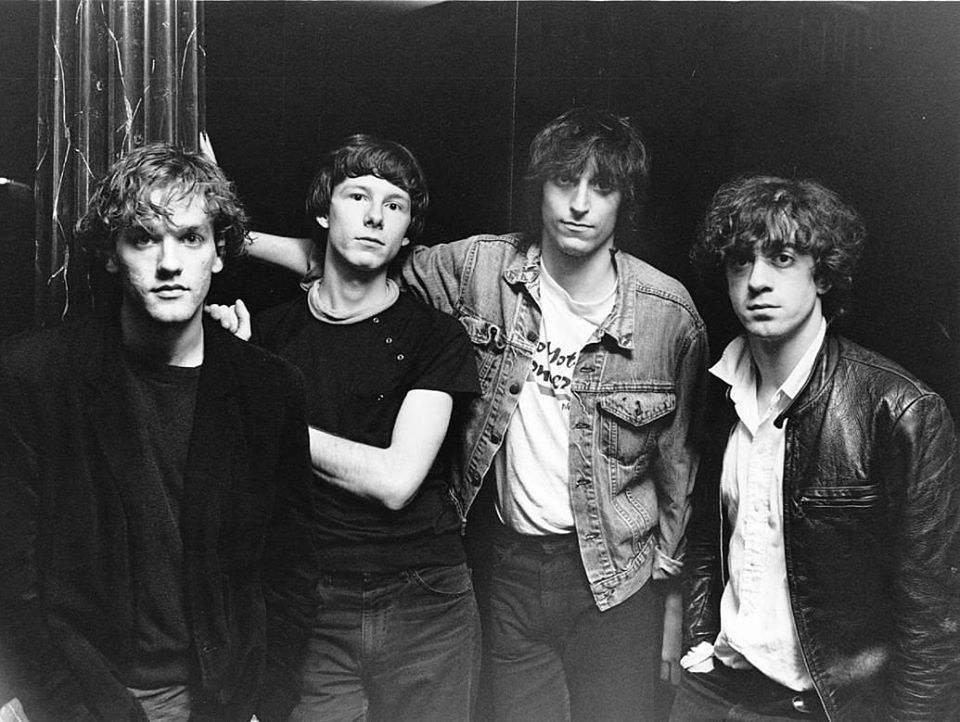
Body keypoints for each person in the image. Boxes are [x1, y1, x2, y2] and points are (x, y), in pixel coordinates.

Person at [235, 108, 708, 721]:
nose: (580, 204)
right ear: (541, 187)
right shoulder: (481, 270)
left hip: (616, 577)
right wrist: (228, 234)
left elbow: (679, 469)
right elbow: (350, 257)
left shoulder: (668, 314)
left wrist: (672, 605)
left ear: (625, 202)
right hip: (507, 569)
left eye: (603, 187)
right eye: (566, 181)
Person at [0, 143, 318, 722]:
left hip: (221, 698)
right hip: (81, 693)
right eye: (144, 238)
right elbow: (11, 574)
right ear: (111, 255)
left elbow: (289, 570)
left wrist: (266, 706)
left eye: (191, 238)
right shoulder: (35, 376)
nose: (169, 262)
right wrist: (55, 703)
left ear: (219, 253)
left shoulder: (270, 389)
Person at [212, 134, 481, 721]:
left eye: (394, 205)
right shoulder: (268, 335)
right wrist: (237, 367)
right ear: (323, 212)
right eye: (357, 196)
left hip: (424, 597)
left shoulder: (436, 336)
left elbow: (395, 481)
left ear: (407, 235)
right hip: (309, 596)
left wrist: (273, 417)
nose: (374, 216)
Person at [673, 175, 960, 721]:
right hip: (713, 688)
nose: (756, 281)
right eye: (740, 261)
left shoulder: (899, 410)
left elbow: (934, 618)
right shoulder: (721, 390)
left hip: (825, 706)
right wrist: (700, 637)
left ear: (822, 275)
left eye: (781, 259)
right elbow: (710, 537)